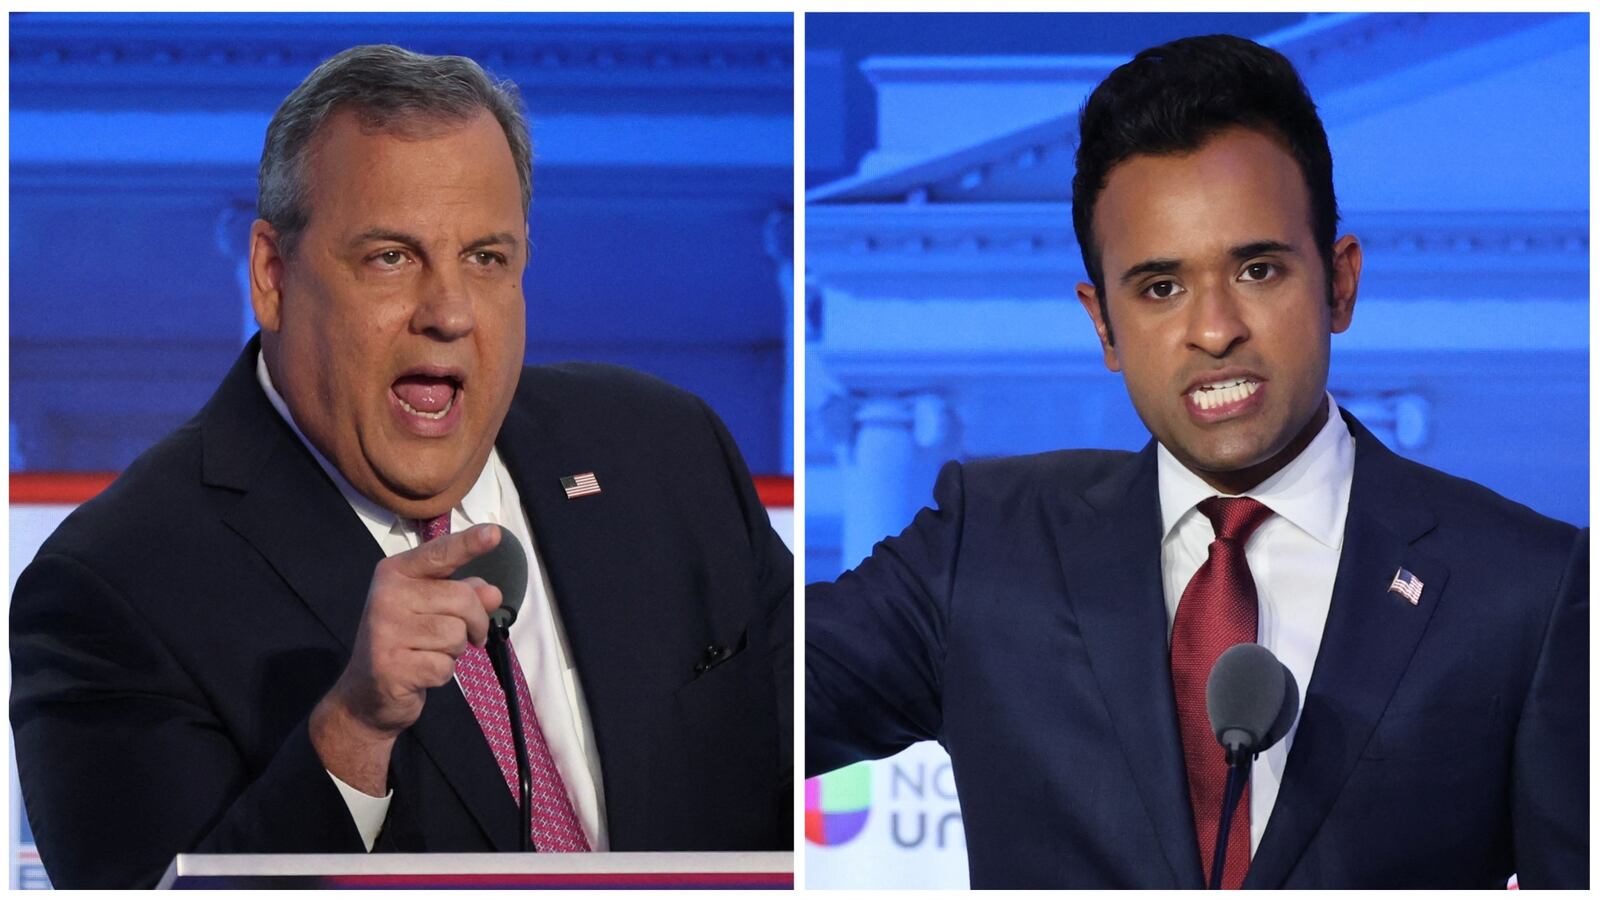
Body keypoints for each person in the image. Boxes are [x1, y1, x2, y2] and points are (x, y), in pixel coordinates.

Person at [805, 34, 1585, 889]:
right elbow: (728, 707)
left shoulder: (1529, 590)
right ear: (1102, 324)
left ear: (1340, 283)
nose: (1214, 330)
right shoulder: (983, 548)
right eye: (1161, 288)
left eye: (1257, 269)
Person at [11, 45, 792, 889]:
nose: (449, 312)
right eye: (391, 256)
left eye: (486, 258)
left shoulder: (664, 451)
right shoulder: (115, 586)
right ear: (273, 276)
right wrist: (350, 736)